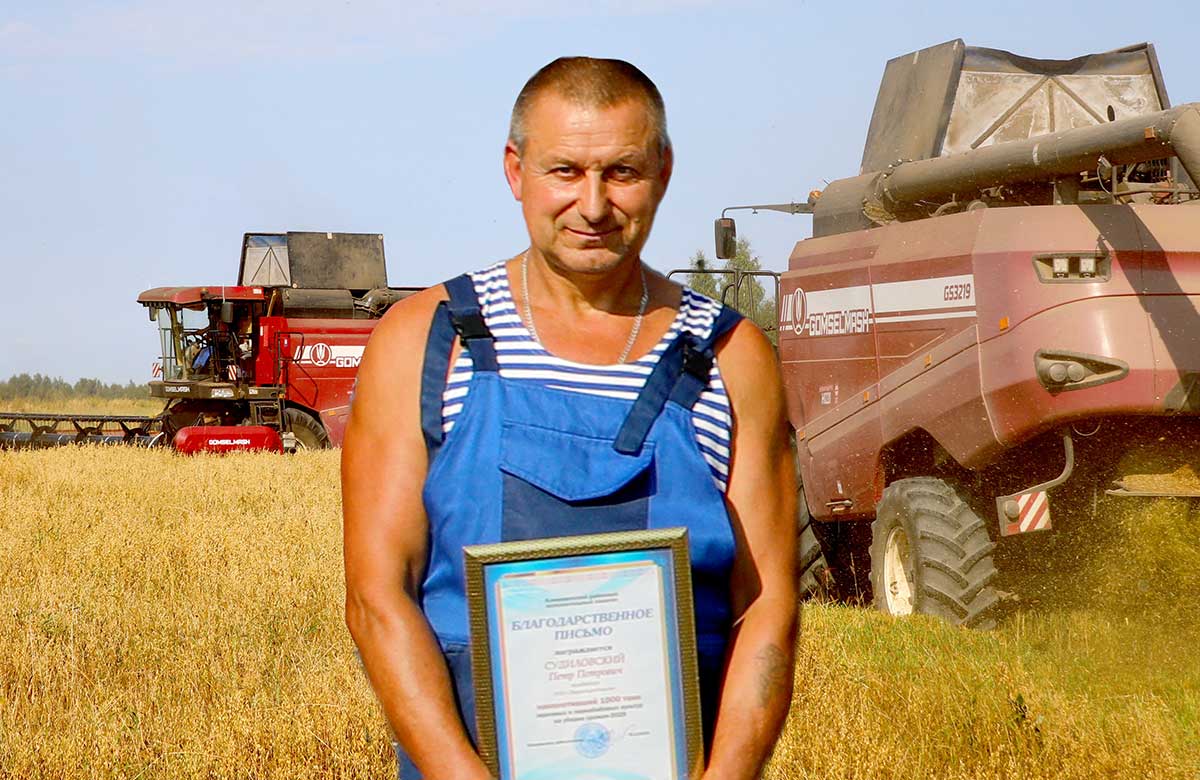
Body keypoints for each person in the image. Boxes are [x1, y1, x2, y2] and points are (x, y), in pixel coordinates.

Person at [343, 57, 797, 780]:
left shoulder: (730, 356)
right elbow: (377, 597)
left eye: (622, 172)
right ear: (515, 170)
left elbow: (766, 606)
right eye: (565, 171)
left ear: (663, 171)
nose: (592, 205)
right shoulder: (427, 340)